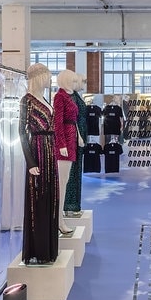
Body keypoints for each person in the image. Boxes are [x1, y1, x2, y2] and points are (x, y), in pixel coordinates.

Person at [18, 63, 60, 265]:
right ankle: (39, 250)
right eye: (46, 75)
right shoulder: (27, 100)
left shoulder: (45, 99)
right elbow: (21, 132)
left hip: (50, 151)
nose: (49, 79)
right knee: (39, 198)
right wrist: (30, 161)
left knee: (51, 197)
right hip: (38, 150)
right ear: (38, 77)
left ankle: (50, 249)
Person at [53, 70, 83, 233]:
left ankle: (60, 217)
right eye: (71, 81)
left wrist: (78, 136)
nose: (74, 84)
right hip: (64, 142)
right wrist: (61, 144)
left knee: (65, 180)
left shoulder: (69, 96)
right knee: (62, 182)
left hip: (71, 139)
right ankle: (59, 220)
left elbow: (73, 120)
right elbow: (58, 122)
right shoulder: (60, 97)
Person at [62, 73, 88, 217]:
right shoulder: (69, 97)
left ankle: (74, 206)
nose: (83, 83)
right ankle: (69, 206)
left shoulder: (75, 95)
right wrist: (78, 137)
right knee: (71, 173)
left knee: (76, 172)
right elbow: (72, 119)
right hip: (73, 138)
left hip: (78, 138)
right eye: (82, 81)